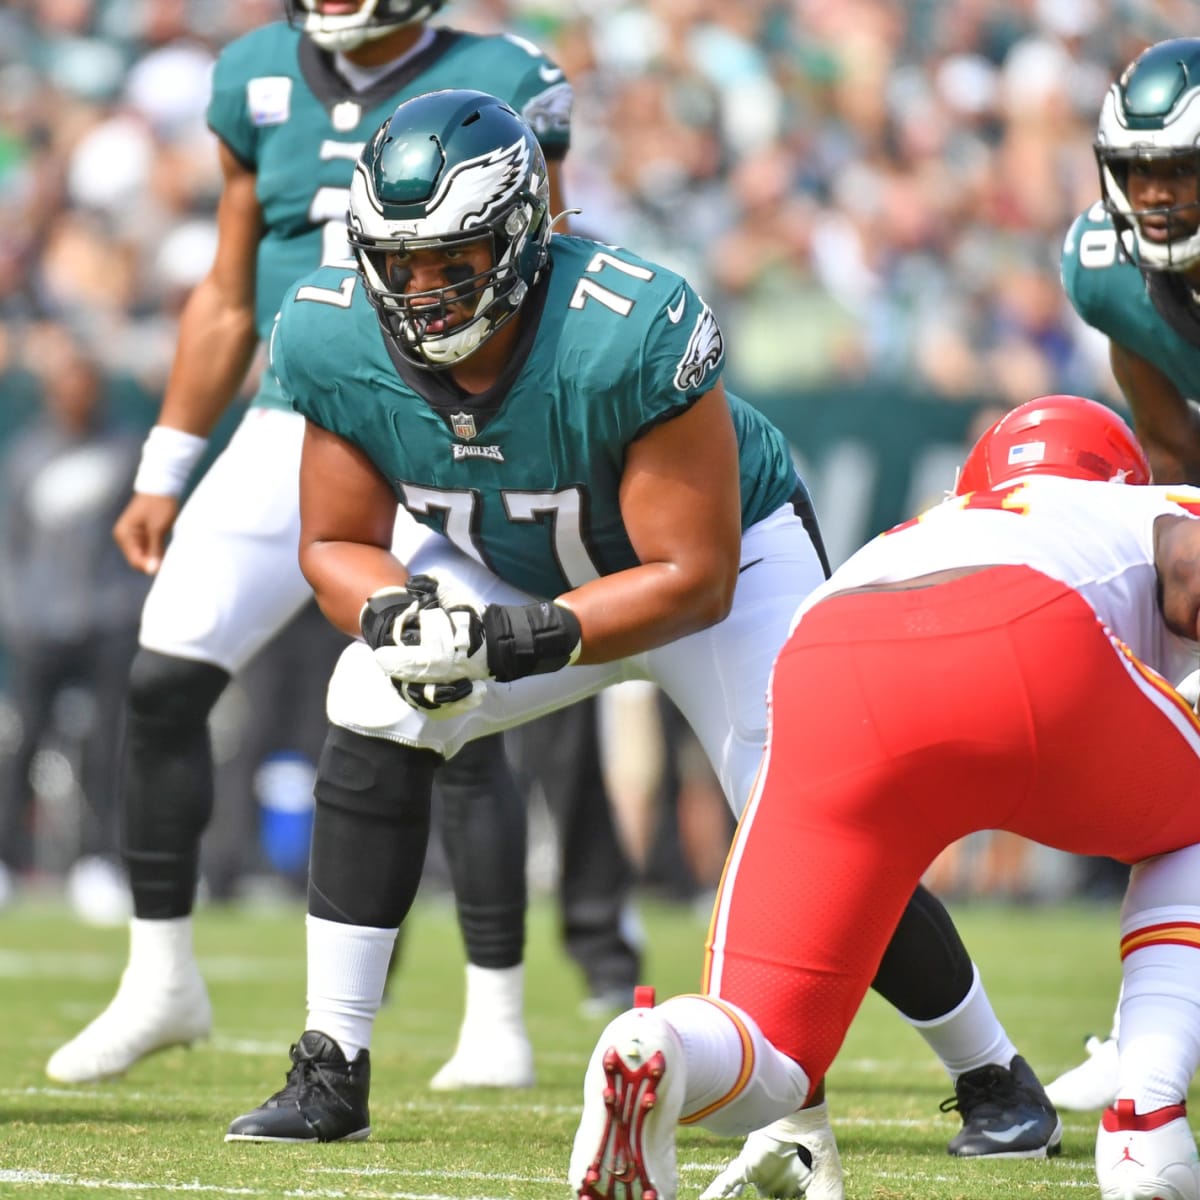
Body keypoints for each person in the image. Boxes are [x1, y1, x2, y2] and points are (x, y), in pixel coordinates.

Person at [221, 91, 1059, 1184]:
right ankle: (332, 1066)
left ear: (520, 238)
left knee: (813, 814)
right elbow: (335, 541)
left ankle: (996, 1075)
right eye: (401, 261)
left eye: (453, 259)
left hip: (721, 567)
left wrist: (523, 637)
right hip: (513, 567)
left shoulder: (622, 329)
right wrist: (396, 610)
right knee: (372, 693)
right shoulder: (332, 331)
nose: (421, 292)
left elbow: (694, 578)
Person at [44, 0, 595, 1092]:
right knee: (164, 672)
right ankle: (161, 977)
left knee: (453, 684)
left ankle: (496, 1014)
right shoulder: (252, 74)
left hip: (446, 415)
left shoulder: (505, 71)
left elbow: (548, 267)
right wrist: (166, 461)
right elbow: (226, 291)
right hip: (298, 411)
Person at [567, 392, 1200, 1200]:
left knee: (778, 1055)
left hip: (827, 657)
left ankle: (661, 1045)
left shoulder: (950, 516)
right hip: (1022, 630)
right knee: (1188, 831)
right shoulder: (1143, 505)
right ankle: (1148, 1124)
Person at [1050, 34, 1200, 1112]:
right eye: (1139, 168)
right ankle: (1150, 1035)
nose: (1154, 194)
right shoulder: (1104, 269)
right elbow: (1176, 453)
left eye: (1181, 169)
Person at [0, 328, 148, 919]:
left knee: (109, 746)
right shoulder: (27, 455)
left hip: (109, 623)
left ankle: (100, 862)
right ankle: (8, 861)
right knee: (25, 742)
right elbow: (13, 547)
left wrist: (129, 604)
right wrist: (19, 616)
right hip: (41, 627)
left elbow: (145, 541)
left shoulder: (125, 448)